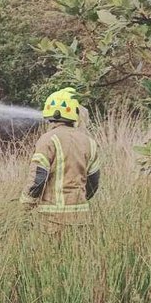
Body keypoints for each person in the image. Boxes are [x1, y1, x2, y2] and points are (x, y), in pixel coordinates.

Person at [21, 88, 100, 225]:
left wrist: (25, 205)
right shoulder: (89, 142)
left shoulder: (48, 140)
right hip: (81, 219)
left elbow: (38, 178)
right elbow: (93, 182)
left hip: (52, 219)